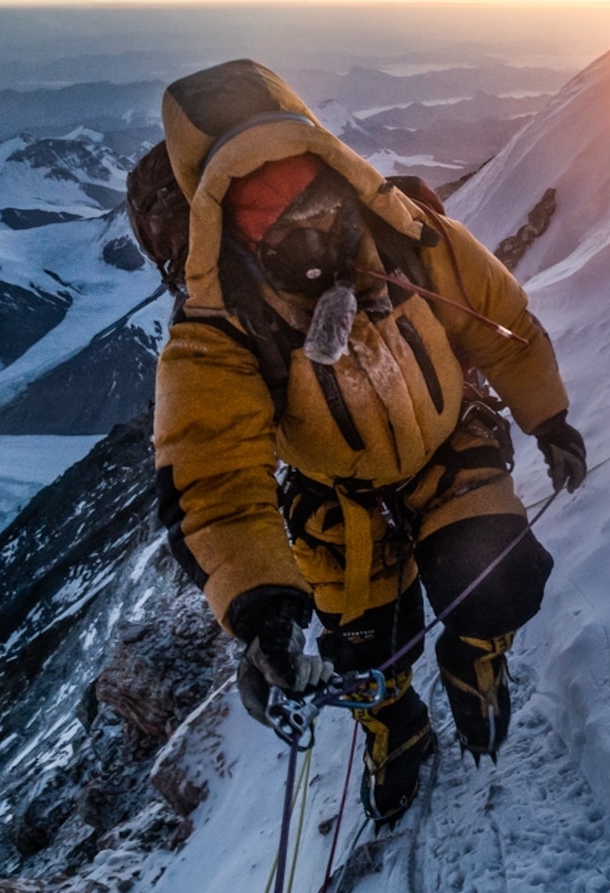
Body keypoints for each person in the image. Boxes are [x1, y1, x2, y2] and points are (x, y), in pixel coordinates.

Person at [133, 60, 585, 825]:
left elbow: (497, 321)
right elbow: (213, 474)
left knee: (500, 576)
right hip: (340, 498)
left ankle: (474, 655)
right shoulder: (224, 327)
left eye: (298, 177)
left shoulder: (408, 237)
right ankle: (394, 724)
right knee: (368, 648)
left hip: (444, 446)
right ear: (221, 216)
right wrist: (261, 610)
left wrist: (549, 417)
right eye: (258, 200)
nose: (292, 210)